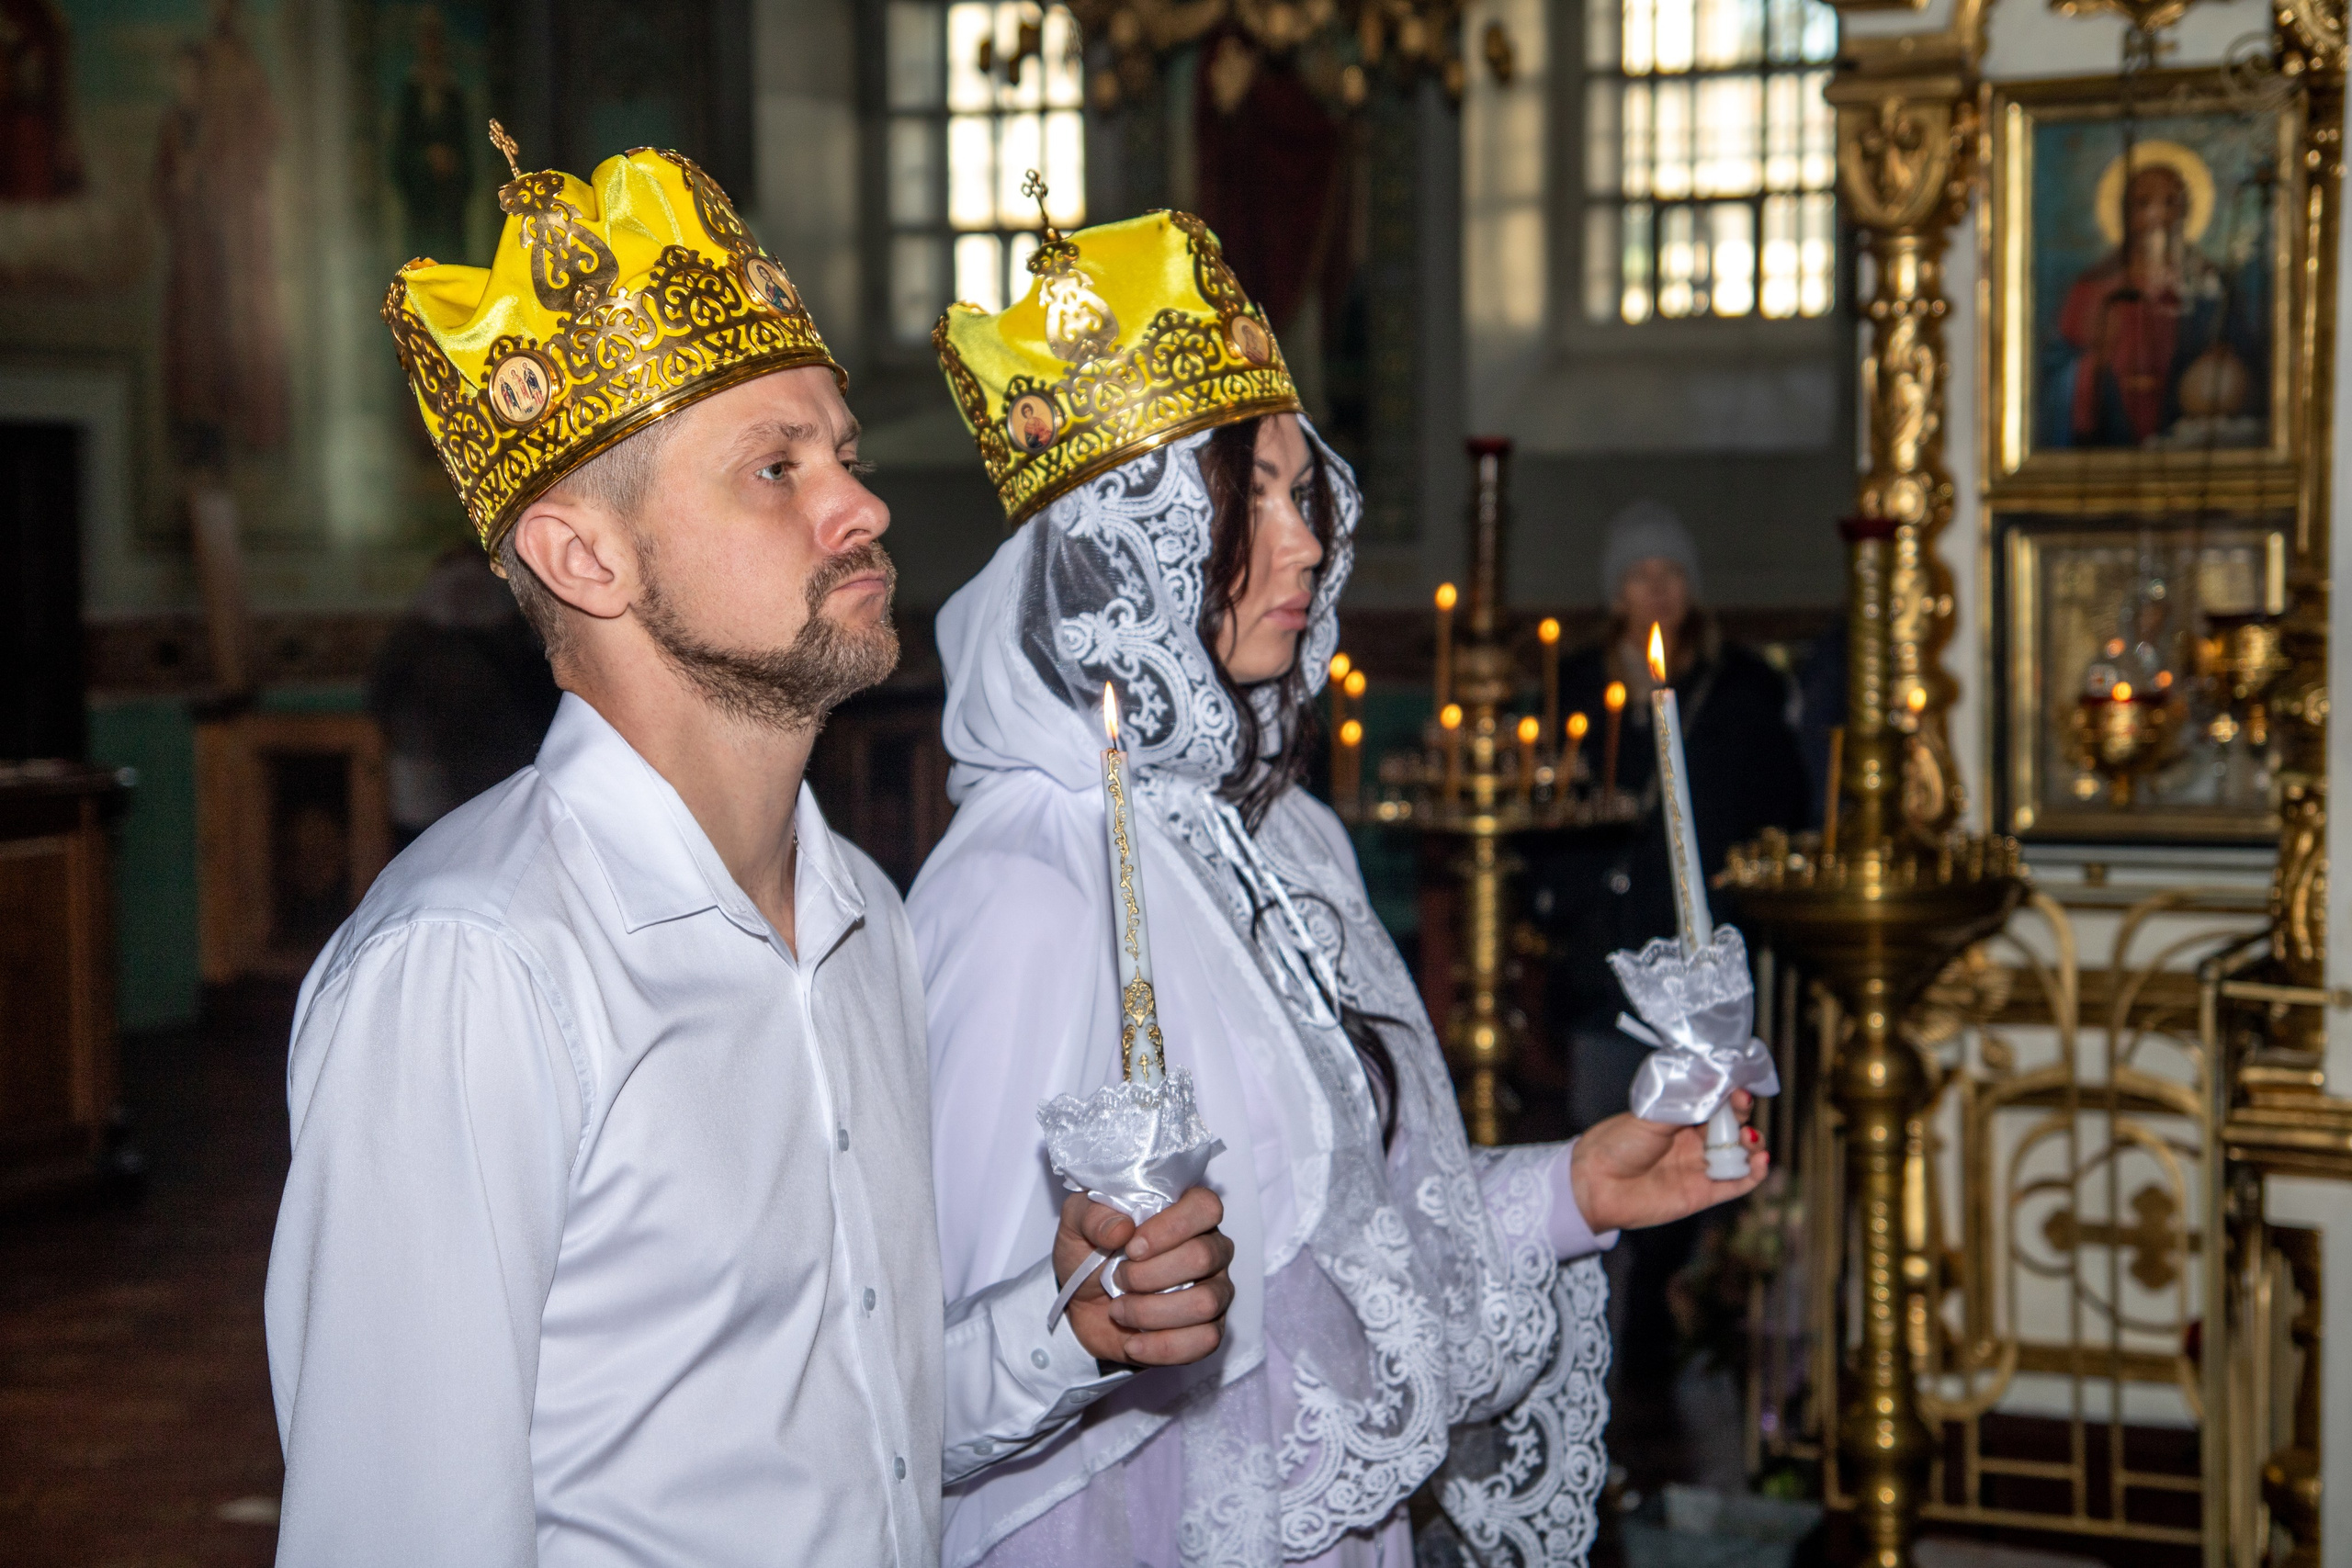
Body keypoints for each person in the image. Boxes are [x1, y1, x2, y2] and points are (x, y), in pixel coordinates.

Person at [266, 141, 1234, 1567]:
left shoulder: (861, 915)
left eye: (845, 455)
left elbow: (852, 1435)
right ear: (586, 557)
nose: (861, 506)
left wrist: (1063, 1327)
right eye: (776, 468)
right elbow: (399, 1531)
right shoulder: (475, 966)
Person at [913, 209, 1767, 1567]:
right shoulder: (1023, 888)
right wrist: (1092, 1321)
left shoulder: (1284, 835)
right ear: (1130, 546)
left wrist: (1577, 1190)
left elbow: (1346, 1235)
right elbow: (924, 1392)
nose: (1304, 543)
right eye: (1246, 499)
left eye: (1302, 495)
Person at [1531, 499, 1809, 1406]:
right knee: (1610, 1133)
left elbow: (1782, 805)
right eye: (1639, 574)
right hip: (1608, 968)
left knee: (1706, 1146)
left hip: (1708, 958)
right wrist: (1565, 902)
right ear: (1615, 592)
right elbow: (1549, 810)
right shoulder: (1577, 690)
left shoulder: (1741, 688)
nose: (1657, 589)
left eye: (1671, 572)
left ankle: (1664, 1347)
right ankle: (1601, 1364)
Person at [366, 546, 562, 850]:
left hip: (502, 791)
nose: (464, 598)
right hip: (427, 796)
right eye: (455, 584)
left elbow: (543, 706)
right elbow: (380, 700)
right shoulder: (413, 643)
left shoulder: (519, 641)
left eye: (474, 585)